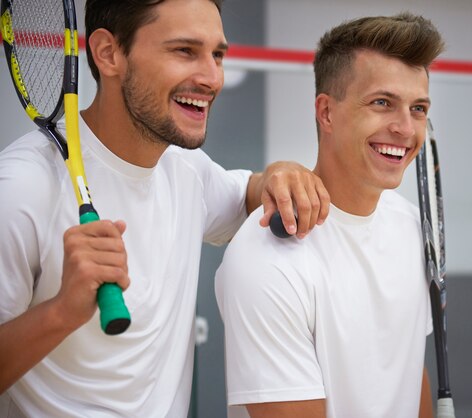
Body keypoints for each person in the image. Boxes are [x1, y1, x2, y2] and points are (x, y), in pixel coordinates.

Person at [0, 0, 329, 416]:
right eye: (184, 51)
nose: (212, 77)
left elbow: (250, 192)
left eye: (217, 55)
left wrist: (280, 172)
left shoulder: (186, 169)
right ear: (109, 53)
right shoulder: (22, 186)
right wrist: (61, 311)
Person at [216, 12, 445, 418]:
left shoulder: (411, 226)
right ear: (326, 113)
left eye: (419, 108)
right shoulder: (265, 257)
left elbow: (409, 374)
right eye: (382, 103)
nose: (406, 129)